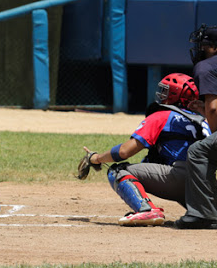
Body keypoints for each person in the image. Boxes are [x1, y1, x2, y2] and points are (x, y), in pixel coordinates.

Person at [83, 73, 210, 226]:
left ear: (173, 96)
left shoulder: (162, 115)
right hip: (205, 182)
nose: (161, 94)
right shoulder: (203, 120)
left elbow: (124, 152)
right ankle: (208, 212)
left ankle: (146, 209)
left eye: (166, 91)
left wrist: (96, 158)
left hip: (179, 177)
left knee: (118, 171)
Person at [175, 24, 217, 229]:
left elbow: (215, 109)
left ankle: (203, 214)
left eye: (205, 45)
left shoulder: (206, 66)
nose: (200, 49)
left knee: (199, 151)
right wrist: (204, 110)